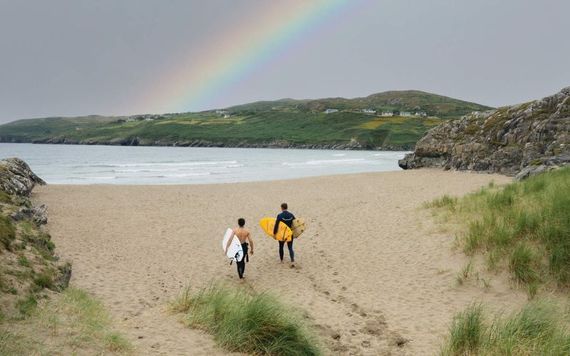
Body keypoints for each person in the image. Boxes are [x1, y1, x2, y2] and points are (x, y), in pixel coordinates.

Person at [273, 203, 295, 267]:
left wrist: (274, 233)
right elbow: (295, 224)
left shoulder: (279, 215)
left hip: (282, 234)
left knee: (281, 246)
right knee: (290, 247)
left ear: (282, 208)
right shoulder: (291, 215)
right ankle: (292, 261)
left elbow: (276, 225)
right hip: (289, 233)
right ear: (287, 207)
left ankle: (282, 260)